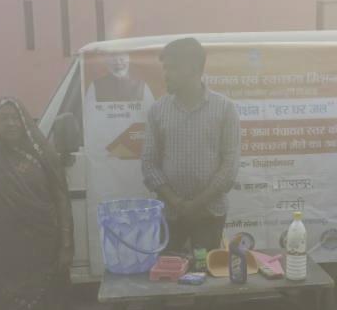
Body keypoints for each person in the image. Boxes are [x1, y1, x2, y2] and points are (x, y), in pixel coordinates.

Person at [0, 97, 73, 310]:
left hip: (45, 251)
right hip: (1, 254)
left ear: (24, 120)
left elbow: (62, 200)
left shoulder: (44, 156)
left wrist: (66, 245)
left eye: (15, 117)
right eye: (3, 118)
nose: (10, 123)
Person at [141, 38, 240, 253]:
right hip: (170, 214)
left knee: (205, 270)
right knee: (168, 270)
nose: (166, 74)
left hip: (210, 214)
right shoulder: (157, 110)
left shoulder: (225, 109)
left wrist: (197, 204)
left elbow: (230, 164)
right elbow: (149, 163)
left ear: (193, 69)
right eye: (165, 68)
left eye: (172, 68)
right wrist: (176, 202)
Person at [87, 53, 153, 103]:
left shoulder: (142, 86)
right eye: (113, 59)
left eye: (122, 58)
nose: (118, 63)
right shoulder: (95, 86)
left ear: (128, 59)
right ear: (107, 61)